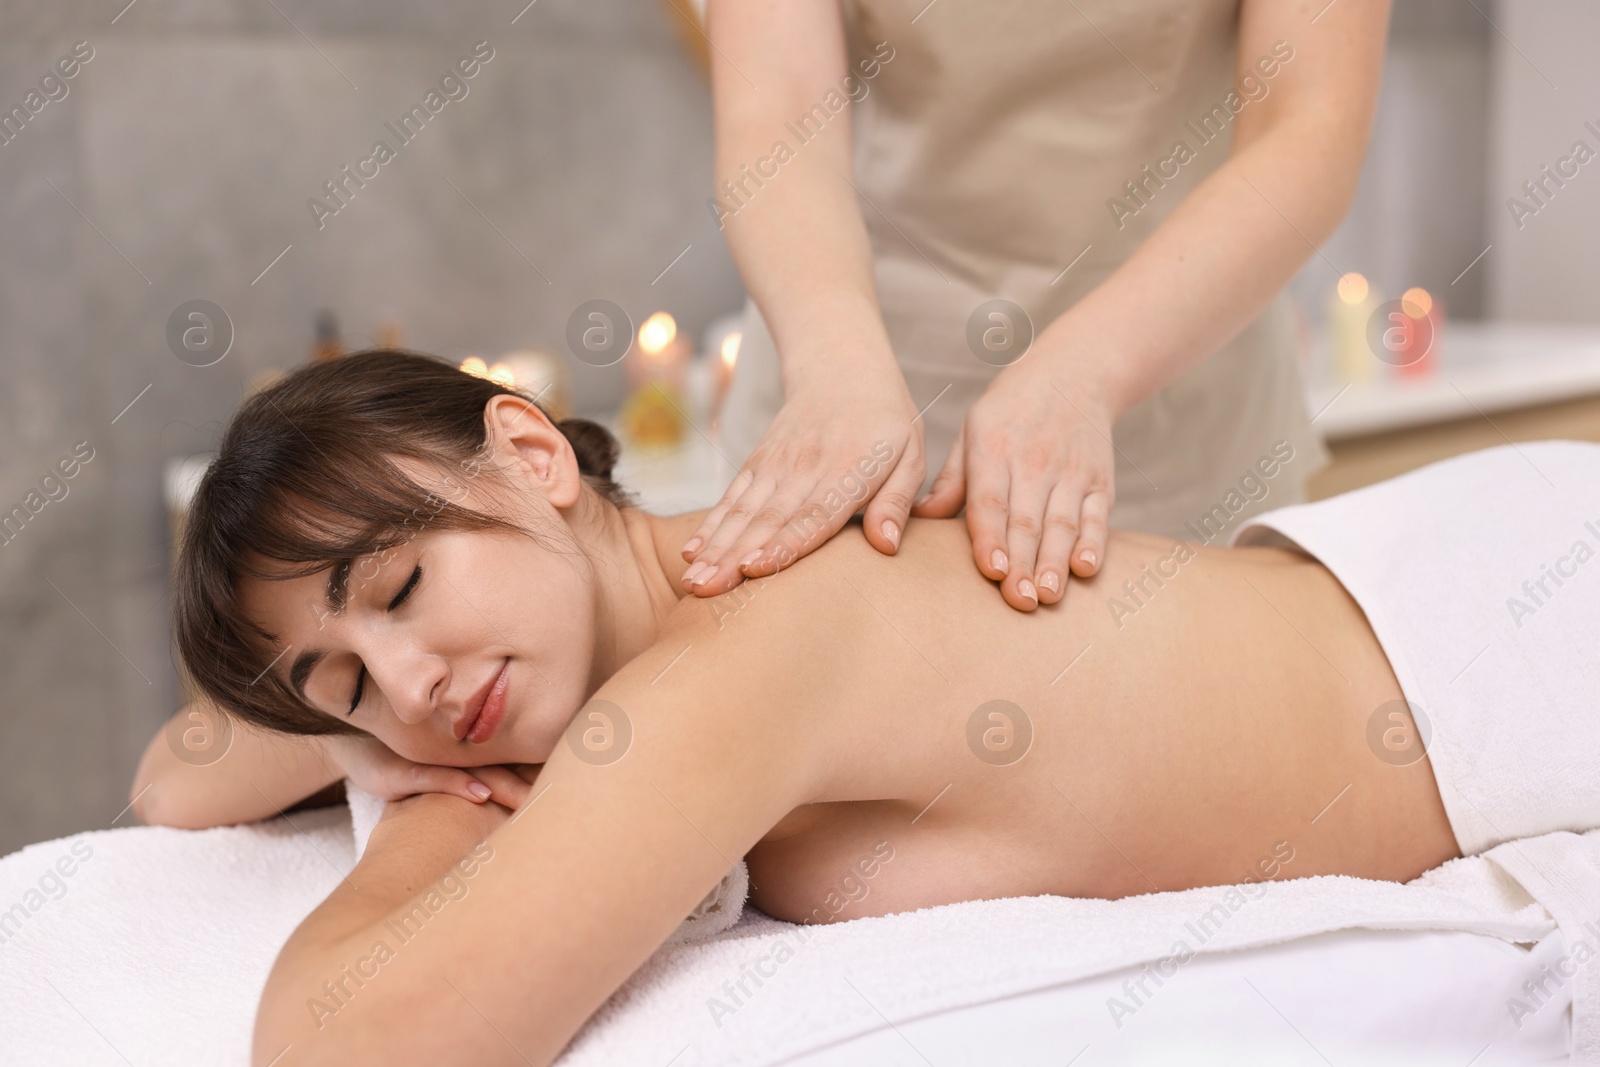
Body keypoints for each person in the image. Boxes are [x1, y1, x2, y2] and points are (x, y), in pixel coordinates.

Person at [143, 352, 1597, 1065]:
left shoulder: (730, 668)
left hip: (1509, 632)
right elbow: (172, 775)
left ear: (530, 450)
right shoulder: (680, 593)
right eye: (340, 684)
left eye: (399, 586)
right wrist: (378, 699)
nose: (410, 692)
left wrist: (408, 818)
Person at [682, 0, 1391, 613]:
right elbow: (778, 112)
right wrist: (835, 365)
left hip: (1168, 406)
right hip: (849, 378)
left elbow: (1307, 123)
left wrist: (1085, 371)